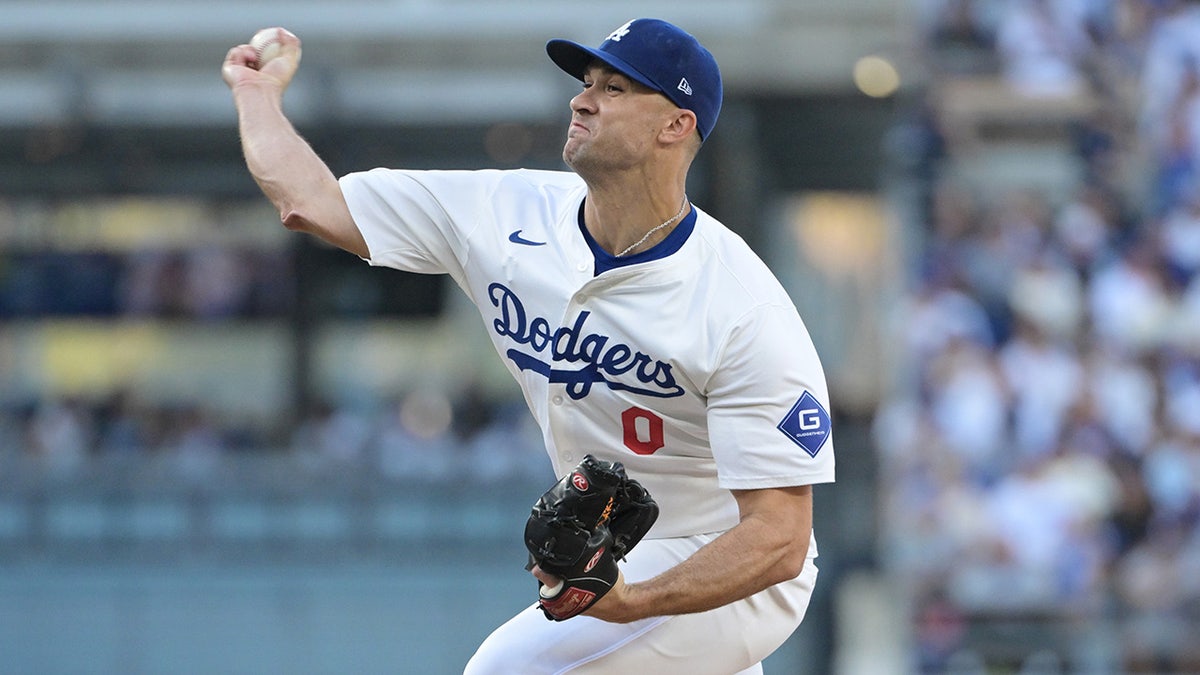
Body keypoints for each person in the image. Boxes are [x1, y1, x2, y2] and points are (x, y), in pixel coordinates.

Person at [223, 17, 835, 674]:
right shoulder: (505, 211)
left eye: (617, 87)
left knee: (508, 669)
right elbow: (309, 202)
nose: (583, 98)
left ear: (675, 126)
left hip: (732, 568)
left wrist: (634, 600)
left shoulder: (742, 307)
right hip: (628, 550)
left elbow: (779, 539)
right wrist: (254, 95)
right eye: (587, 81)